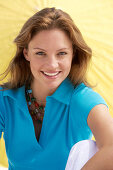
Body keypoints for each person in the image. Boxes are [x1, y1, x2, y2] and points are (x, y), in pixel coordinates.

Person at [0, 7, 113, 170]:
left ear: (73, 53)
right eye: (40, 53)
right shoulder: (5, 100)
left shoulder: (82, 99)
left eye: (61, 53)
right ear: (26, 53)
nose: (52, 65)